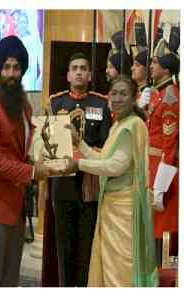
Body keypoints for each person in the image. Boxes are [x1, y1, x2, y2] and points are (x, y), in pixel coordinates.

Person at [0, 36, 54, 287]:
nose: (11, 73)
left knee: (9, 285)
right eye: (6, 67)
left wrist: (46, 157)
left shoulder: (24, 107)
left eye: (16, 67)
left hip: (16, 210)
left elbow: (23, 151)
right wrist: (32, 171)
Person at [63, 75, 158, 287]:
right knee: (108, 269)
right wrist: (81, 145)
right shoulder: (118, 125)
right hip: (110, 208)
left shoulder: (133, 125)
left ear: (134, 98)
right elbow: (102, 160)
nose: (117, 98)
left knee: (121, 272)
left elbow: (115, 166)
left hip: (125, 212)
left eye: (123, 94)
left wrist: (78, 165)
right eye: (114, 93)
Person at [45, 52, 112, 287]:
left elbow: (105, 145)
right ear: (67, 74)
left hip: (89, 183)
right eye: (74, 68)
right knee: (63, 244)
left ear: (90, 74)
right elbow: (47, 145)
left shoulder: (101, 103)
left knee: (86, 245)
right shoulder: (56, 102)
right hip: (62, 182)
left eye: (83, 68)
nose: (79, 72)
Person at [148, 31, 179, 266]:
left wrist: (160, 185)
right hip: (151, 167)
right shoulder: (158, 95)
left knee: (163, 231)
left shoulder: (170, 98)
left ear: (166, 70)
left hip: (163, 171)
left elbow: (169, 145)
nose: (151, 66)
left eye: (155, 63)